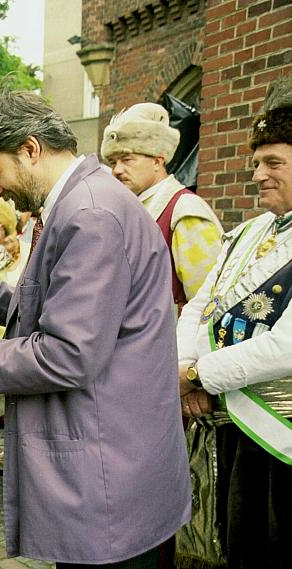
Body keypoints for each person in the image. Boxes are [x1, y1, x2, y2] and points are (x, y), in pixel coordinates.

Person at [0, 91, 191, 568]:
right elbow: (53, 308)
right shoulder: (85, 202)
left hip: (108, 482)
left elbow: (67, 354)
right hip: (111, 468)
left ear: (29, 149)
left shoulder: (89, 214)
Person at [175, 74, 292, 569]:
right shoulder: (247, 231)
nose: (258, 175)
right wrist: (184, 367)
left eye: (274, 163)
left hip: (281, 433)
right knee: (237, 544)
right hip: (233, 421)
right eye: (256, 163)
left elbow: (286, 346)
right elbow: (200, 306)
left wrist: (199, 376)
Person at [101, 102, 223, 313]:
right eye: (112, 162)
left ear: (158, 161)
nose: (117, 170)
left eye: (127, 159)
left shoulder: (185, 211)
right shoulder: (126, 209)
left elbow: (207, 304)